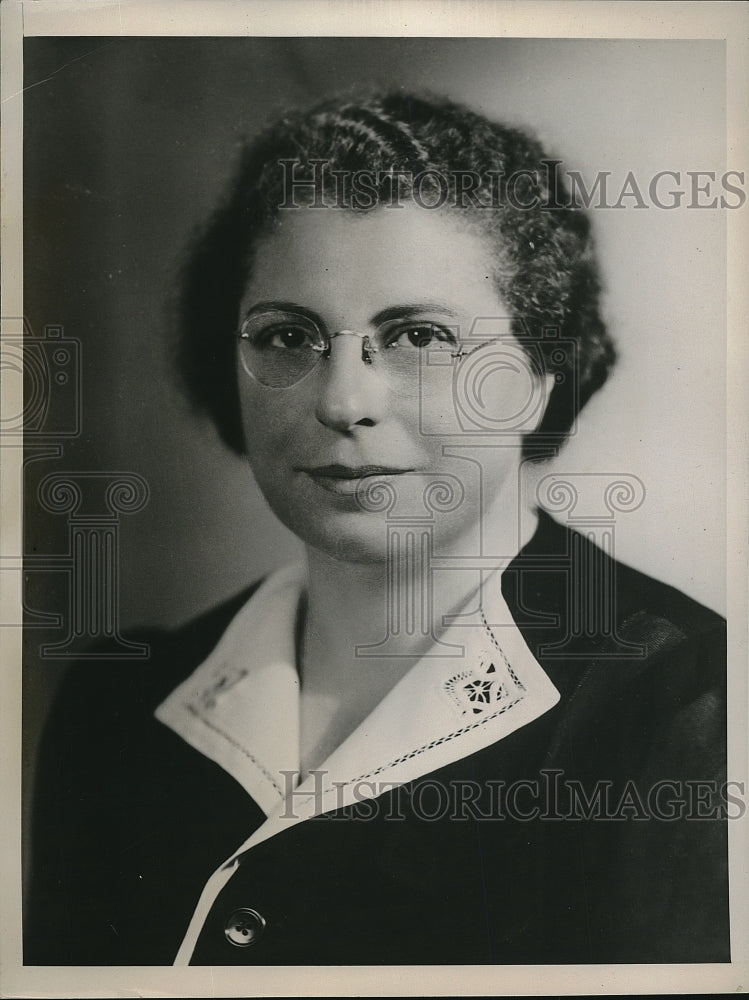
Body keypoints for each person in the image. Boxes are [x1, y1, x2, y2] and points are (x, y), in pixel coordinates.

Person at [26, 91, 729, 966]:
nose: (342, 400)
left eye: (420, 336)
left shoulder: (688, 711)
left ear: (542, 372)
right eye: (288, 335)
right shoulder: (118, 707)